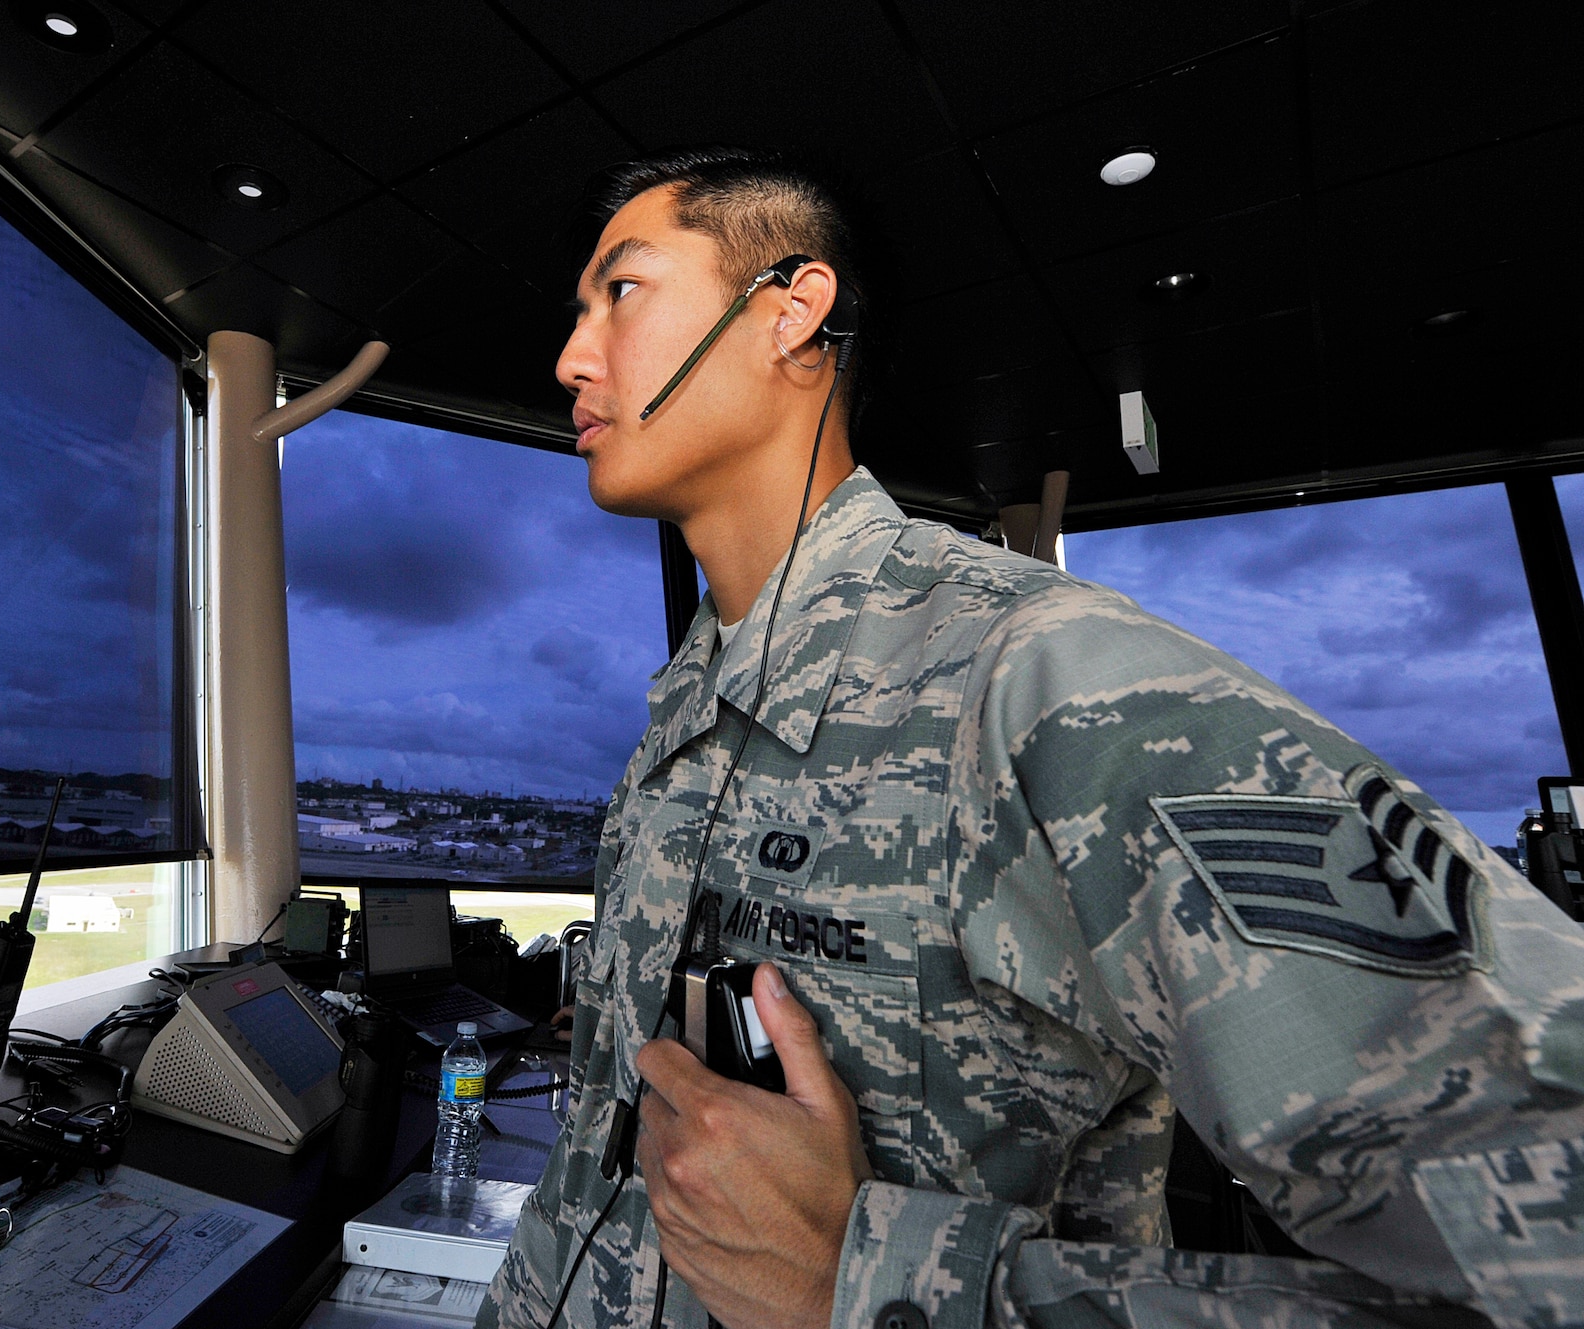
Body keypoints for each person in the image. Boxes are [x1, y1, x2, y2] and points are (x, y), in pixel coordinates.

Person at [473, 146, 1584, 1329]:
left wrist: (878, 1282)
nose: (570, 357)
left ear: (790, 311)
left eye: (621, 292)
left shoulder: (1044, 680)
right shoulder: (687, 707)